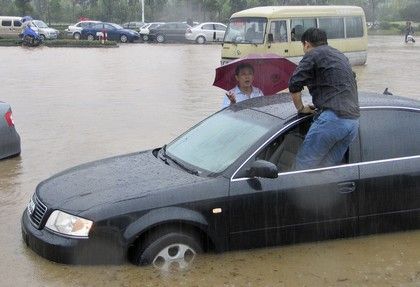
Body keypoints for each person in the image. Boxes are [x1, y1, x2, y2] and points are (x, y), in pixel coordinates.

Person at [288, 27, 359, 170]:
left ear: (306, 44)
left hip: (332, 120)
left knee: (302, 168)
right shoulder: (339, 55)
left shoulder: (312, 54)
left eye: (304, 47)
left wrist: (301, 108)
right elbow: (352, 79)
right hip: (353, 122)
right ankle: (321, 192)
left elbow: (294, 84)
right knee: (326, 171)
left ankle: (296, 192)